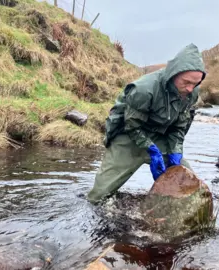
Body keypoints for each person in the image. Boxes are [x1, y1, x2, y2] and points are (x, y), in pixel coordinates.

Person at [87, 44, 206, 203]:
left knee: (192, 191)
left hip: (161, 138)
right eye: (187, 82)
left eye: (196, 83)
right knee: (98, 197)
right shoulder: (144, 89)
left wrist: (175, 151)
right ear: (174, 74)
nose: (191, 89)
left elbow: (179, 128)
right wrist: (150, 149)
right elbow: (132, 126)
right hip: (129, 137)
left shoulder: (192, 93)